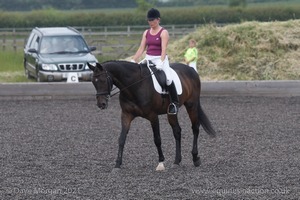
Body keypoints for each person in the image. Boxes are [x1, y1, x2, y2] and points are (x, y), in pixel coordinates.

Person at [131, 8, 179, 115]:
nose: (151, 22)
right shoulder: (146, 32)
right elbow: (141, 48)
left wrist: (161, 62)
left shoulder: (164, 32)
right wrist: (133, 60)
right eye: (149, 20)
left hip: (160, 58)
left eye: (153, 20)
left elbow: (164, 49)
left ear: (158, 20)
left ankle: (174, 104)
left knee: (168, 79)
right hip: (148, 58)